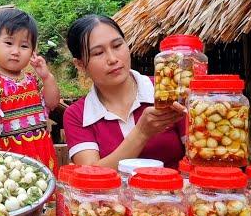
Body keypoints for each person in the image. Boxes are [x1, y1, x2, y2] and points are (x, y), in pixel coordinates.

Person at [63, 14, 187, 170]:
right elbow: (91, 175)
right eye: (98, 53)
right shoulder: (77, 115)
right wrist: (142, 133)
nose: (113, 58)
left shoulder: (168, 89)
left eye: (117, 45)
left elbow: (199, 153)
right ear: (80, 64)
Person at [0, 8, 60, 175]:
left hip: (43, 152)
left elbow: (52, 103)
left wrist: (47, 77)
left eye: (24, 45)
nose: (16, 51)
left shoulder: (33, 80)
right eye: (8, 43)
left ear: (32, 51)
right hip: (11, 158)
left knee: (47, 194)